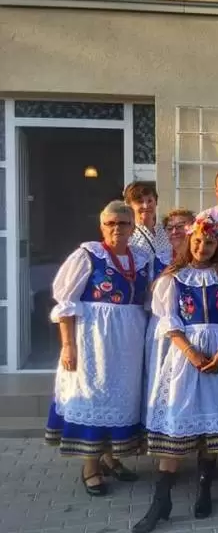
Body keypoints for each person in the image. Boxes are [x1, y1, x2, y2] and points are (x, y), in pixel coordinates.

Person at [133, 216, 218, 533]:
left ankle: (204, 488)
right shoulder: (174, 277)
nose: (202, 247)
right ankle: (161, 500)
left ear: (217, 245)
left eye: (209, 242)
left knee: (211, 423)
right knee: (178, 422)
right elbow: (169, 322)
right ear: (189, 241)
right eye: (197, 241)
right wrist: (192, 353)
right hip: (186, 358)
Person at [45, 201, 150, 497]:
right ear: (102, 226)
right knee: (95, 396)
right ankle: (90, 467)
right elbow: (66, 303)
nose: (117, 228)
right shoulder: (88, 255)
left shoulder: (142, 258)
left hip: (129, 341)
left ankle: (110, 458)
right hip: (94, 340)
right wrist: (68, 345)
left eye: (123, 223)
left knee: (120, 399)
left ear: (133, 227)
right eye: (111, 223)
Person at [143, 208, 195, 423]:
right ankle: (161, 424)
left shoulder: (201, 255)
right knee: (162, 375)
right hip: (164, 326)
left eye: (181, 226)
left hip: (192, 326)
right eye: (170, 228)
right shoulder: (159, 259)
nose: (174, 231)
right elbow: (150, 292)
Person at [124, 182, 171, 258]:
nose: (146, 206)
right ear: (129, 206)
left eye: (150, 201)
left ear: (156, 202)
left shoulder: (166, 230)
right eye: (140, 202)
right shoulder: (126, 235)